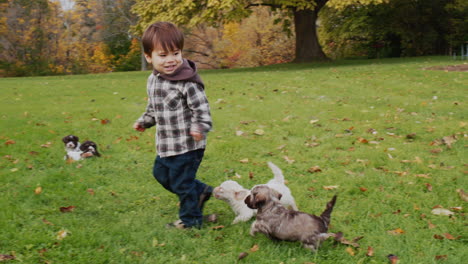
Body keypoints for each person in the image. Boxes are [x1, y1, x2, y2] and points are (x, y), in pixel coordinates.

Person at [133, 22, 213, 229]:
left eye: (175, 53)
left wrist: (199, 127)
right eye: (163, 55)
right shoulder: (153, 80)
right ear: (149, 57)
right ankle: (201, 191)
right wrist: (145, 121)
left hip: (188, 145)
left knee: (182, 183)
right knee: (160, 174)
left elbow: (202, 109)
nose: (170, 60)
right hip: (166, 143)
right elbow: (154, 106)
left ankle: (191, 221)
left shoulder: (188, 82)